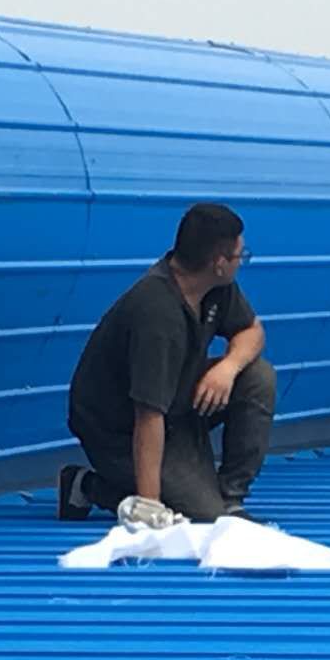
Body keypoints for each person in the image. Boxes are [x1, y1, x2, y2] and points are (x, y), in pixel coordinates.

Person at [59, 203, 276, 528]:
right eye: (239, 256)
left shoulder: (216, 288)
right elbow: (148, 414)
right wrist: (151, 507)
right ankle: (89, 486)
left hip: (175, 404)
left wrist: (228, 367)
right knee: (201, 517)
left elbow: (252, 331)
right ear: (219, 263)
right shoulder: (157, 314)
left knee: (257, 376)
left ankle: (230, 497)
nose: (241, 262)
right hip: (119, 430)